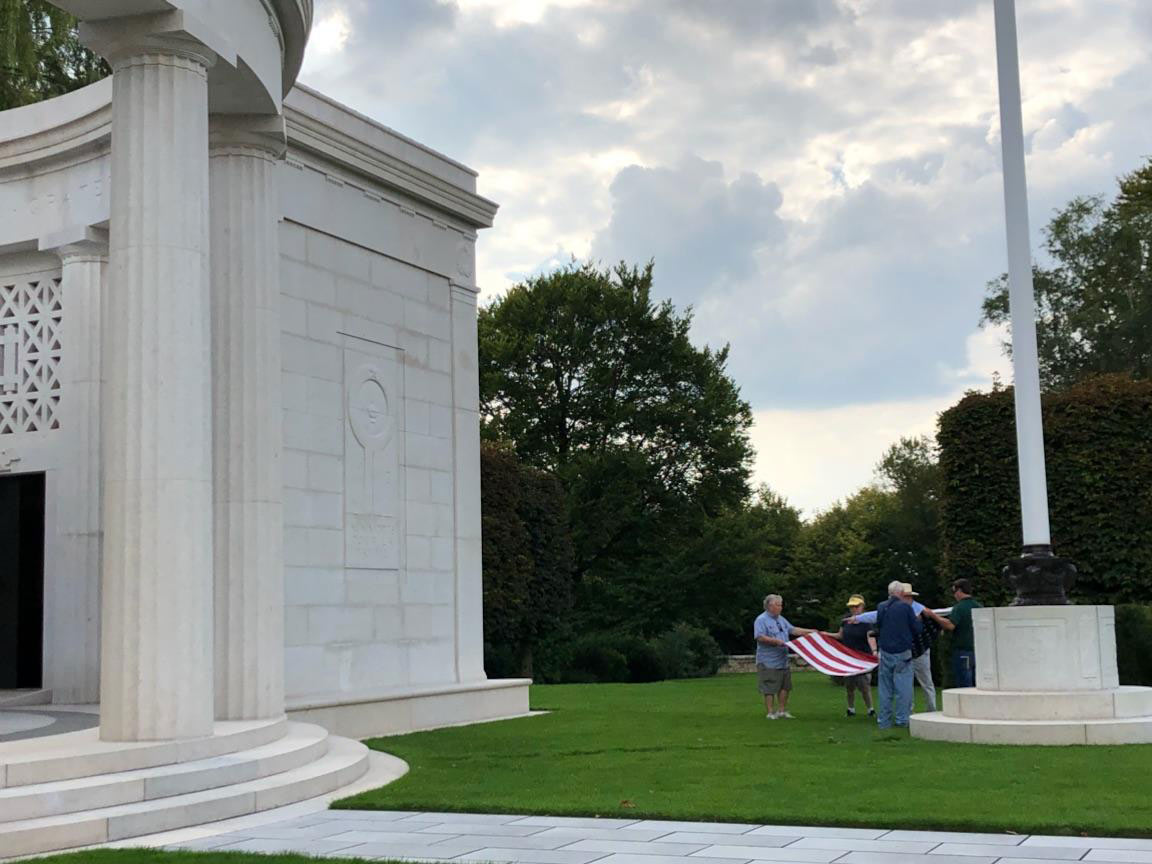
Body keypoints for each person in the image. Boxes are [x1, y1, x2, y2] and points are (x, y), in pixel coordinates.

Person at [851, 583, 953, 711]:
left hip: (921, 651)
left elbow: (935, 616)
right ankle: (908, 710)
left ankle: (931, 709)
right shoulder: (897, 609)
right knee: (906, 683)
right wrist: (858, 618)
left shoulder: (918, 608)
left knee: (926, 682)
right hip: (906, 651)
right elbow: (876, 615)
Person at [753, 594, 818, 719]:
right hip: (768, 661)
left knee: (785, 686)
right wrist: (776, 641)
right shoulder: (761, 620)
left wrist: (810, 631)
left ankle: (782, 711)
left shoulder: (781, 619)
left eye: (781, 605)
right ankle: (770, 712)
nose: (780, 607)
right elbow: (759, 637)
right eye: (778, 605)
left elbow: (793, 630)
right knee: (769, 687)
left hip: (783, 660)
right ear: (769, 606)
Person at [873, 580, 923, 728]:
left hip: (885, 650)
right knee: (904, 688)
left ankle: (884, 720)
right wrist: (918, 621)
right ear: (901, 593)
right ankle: (902, 720)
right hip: (902, 651)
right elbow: (916, 629)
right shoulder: (906, 608)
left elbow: (879, 626)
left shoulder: (881, 607)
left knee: (885, 688)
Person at [824, 594, 876, 718]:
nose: (854, 609)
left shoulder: (867, 620)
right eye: (852, 606)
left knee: (864, 685)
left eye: (856, 606)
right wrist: (825, 634)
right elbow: (840, 635)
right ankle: (851, 708)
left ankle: (870, 709)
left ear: (862, 607)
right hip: (848, 657)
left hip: (863, 657)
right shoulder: (846, 620)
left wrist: (874, 651)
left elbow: (870, 636)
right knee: (850, 685)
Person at [949, 579, 982, 687]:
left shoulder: (959, 608)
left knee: (964, 683)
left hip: (963, 651)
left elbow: (950, 625)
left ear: (959, 590)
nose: (954, 595)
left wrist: (933, 616)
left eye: (954, 592)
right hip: (978, 651)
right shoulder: (979, 606)